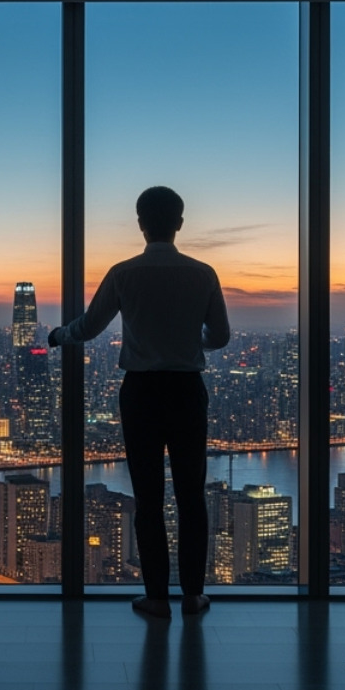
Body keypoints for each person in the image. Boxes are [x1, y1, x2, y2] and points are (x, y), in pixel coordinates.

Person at [48, 186, 229, 619]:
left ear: (141, 223)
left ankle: (156, 597)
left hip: (142, 393)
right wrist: (190, 340)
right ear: (180, 222)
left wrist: (59, 336)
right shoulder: (203, 273)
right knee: (191, 496)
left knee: (147, 497)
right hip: (186, 391)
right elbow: (220, 337)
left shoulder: (124, 272)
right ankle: (192, 595)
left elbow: (90, 327)